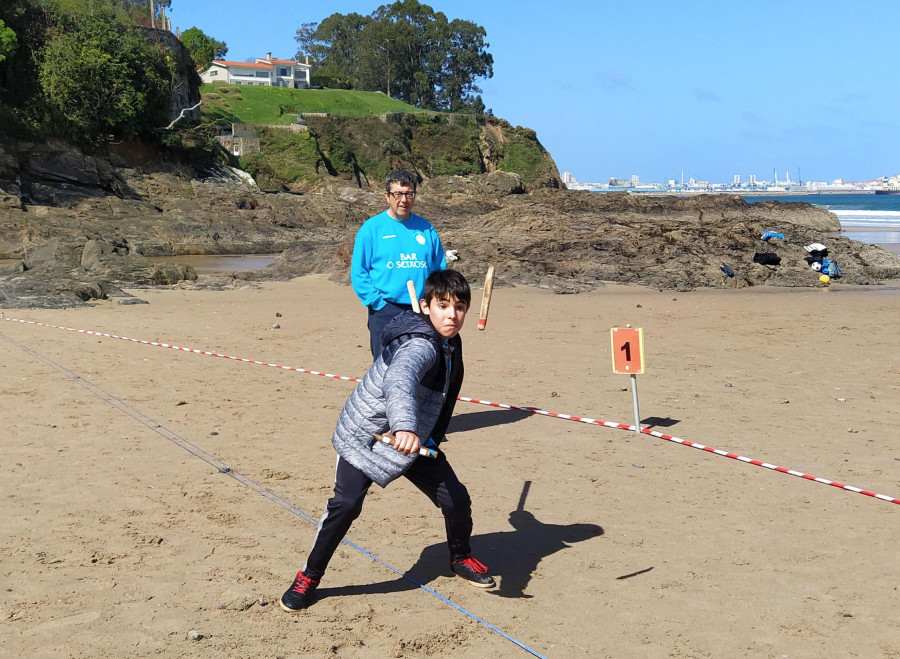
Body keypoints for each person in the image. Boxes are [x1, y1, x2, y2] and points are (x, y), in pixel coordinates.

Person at [280, 269, 495, 612]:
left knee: (456, 498)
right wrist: (405, 427)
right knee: (346, 506)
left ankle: (460, 557)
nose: (452, 315)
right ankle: (308, 576)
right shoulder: (420, 344)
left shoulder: (449, 340)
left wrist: (419, 434)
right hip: (369, 434)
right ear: (426, 307)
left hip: (414, 440)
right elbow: (400, 381)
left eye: (459, 307)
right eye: (443, 306)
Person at [351, 169, 448, 358]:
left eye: (409, 194)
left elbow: (440, 270)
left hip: (422, 310)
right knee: (384, 369)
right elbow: (359, 272)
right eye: (398, 194)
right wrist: (378, 303)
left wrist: (437, 303)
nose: (404, 200)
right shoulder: (372, 228)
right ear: (387, 196)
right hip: (386, 310)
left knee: (421, 366)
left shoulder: (426, 229)